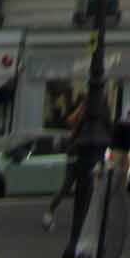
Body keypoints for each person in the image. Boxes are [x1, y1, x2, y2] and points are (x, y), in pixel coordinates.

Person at [40, 95, 86, 233]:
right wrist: (81, 108)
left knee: (85, 189)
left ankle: (82, 220)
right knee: (67, 186)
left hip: (85, 155)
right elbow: (70, 122)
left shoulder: (93, 118)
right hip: (75, 155)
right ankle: (49, 213)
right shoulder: (79, 117)